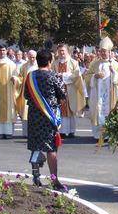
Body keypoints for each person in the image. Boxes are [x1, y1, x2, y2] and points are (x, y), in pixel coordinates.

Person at [24, 49, 67, 191]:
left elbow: (26, 95)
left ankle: (36, 176)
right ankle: (54, 180)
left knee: (36, 145)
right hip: (49, 117)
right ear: (49, 61)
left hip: (34, 115)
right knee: (51, 148)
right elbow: (62, 94)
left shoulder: (30, 76)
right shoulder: (53, 76)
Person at [86, 37, 118, 142]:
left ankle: (111, 135)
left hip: (111, 95)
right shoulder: (94, 64)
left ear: (109, 52)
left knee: (110, 112)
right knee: (98, 112)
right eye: (101, 51)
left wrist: (114, 74)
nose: (103, 53)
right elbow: (87, 76)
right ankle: (98, 135)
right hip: (97, 94)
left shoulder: (115, 65)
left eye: (105, 51)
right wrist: (95, 76)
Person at [52, 44, 86, 138]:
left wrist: (63, 75)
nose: (61, 53)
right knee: (61, 110)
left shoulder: (73, 62)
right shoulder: (54, 63)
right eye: (59, 51)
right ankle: (62, 131)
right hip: (59, 90)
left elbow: (77, 75)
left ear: (67, 51)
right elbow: (51, 74)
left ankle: (71, 131)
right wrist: (56, 76)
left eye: (63, 51)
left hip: (71, 90)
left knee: (71, 110)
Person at [16, 50, 39, 137]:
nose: (32, 59)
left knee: (36, 113)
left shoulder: (39, 65)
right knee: (25, 113)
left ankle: (35, 132)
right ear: (27, 57)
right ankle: (26, 132)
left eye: (33, 57)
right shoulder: (24, 66)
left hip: (37, 92)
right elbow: (20, 78)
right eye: (30, 57)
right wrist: (16, 79)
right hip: (26, 92)